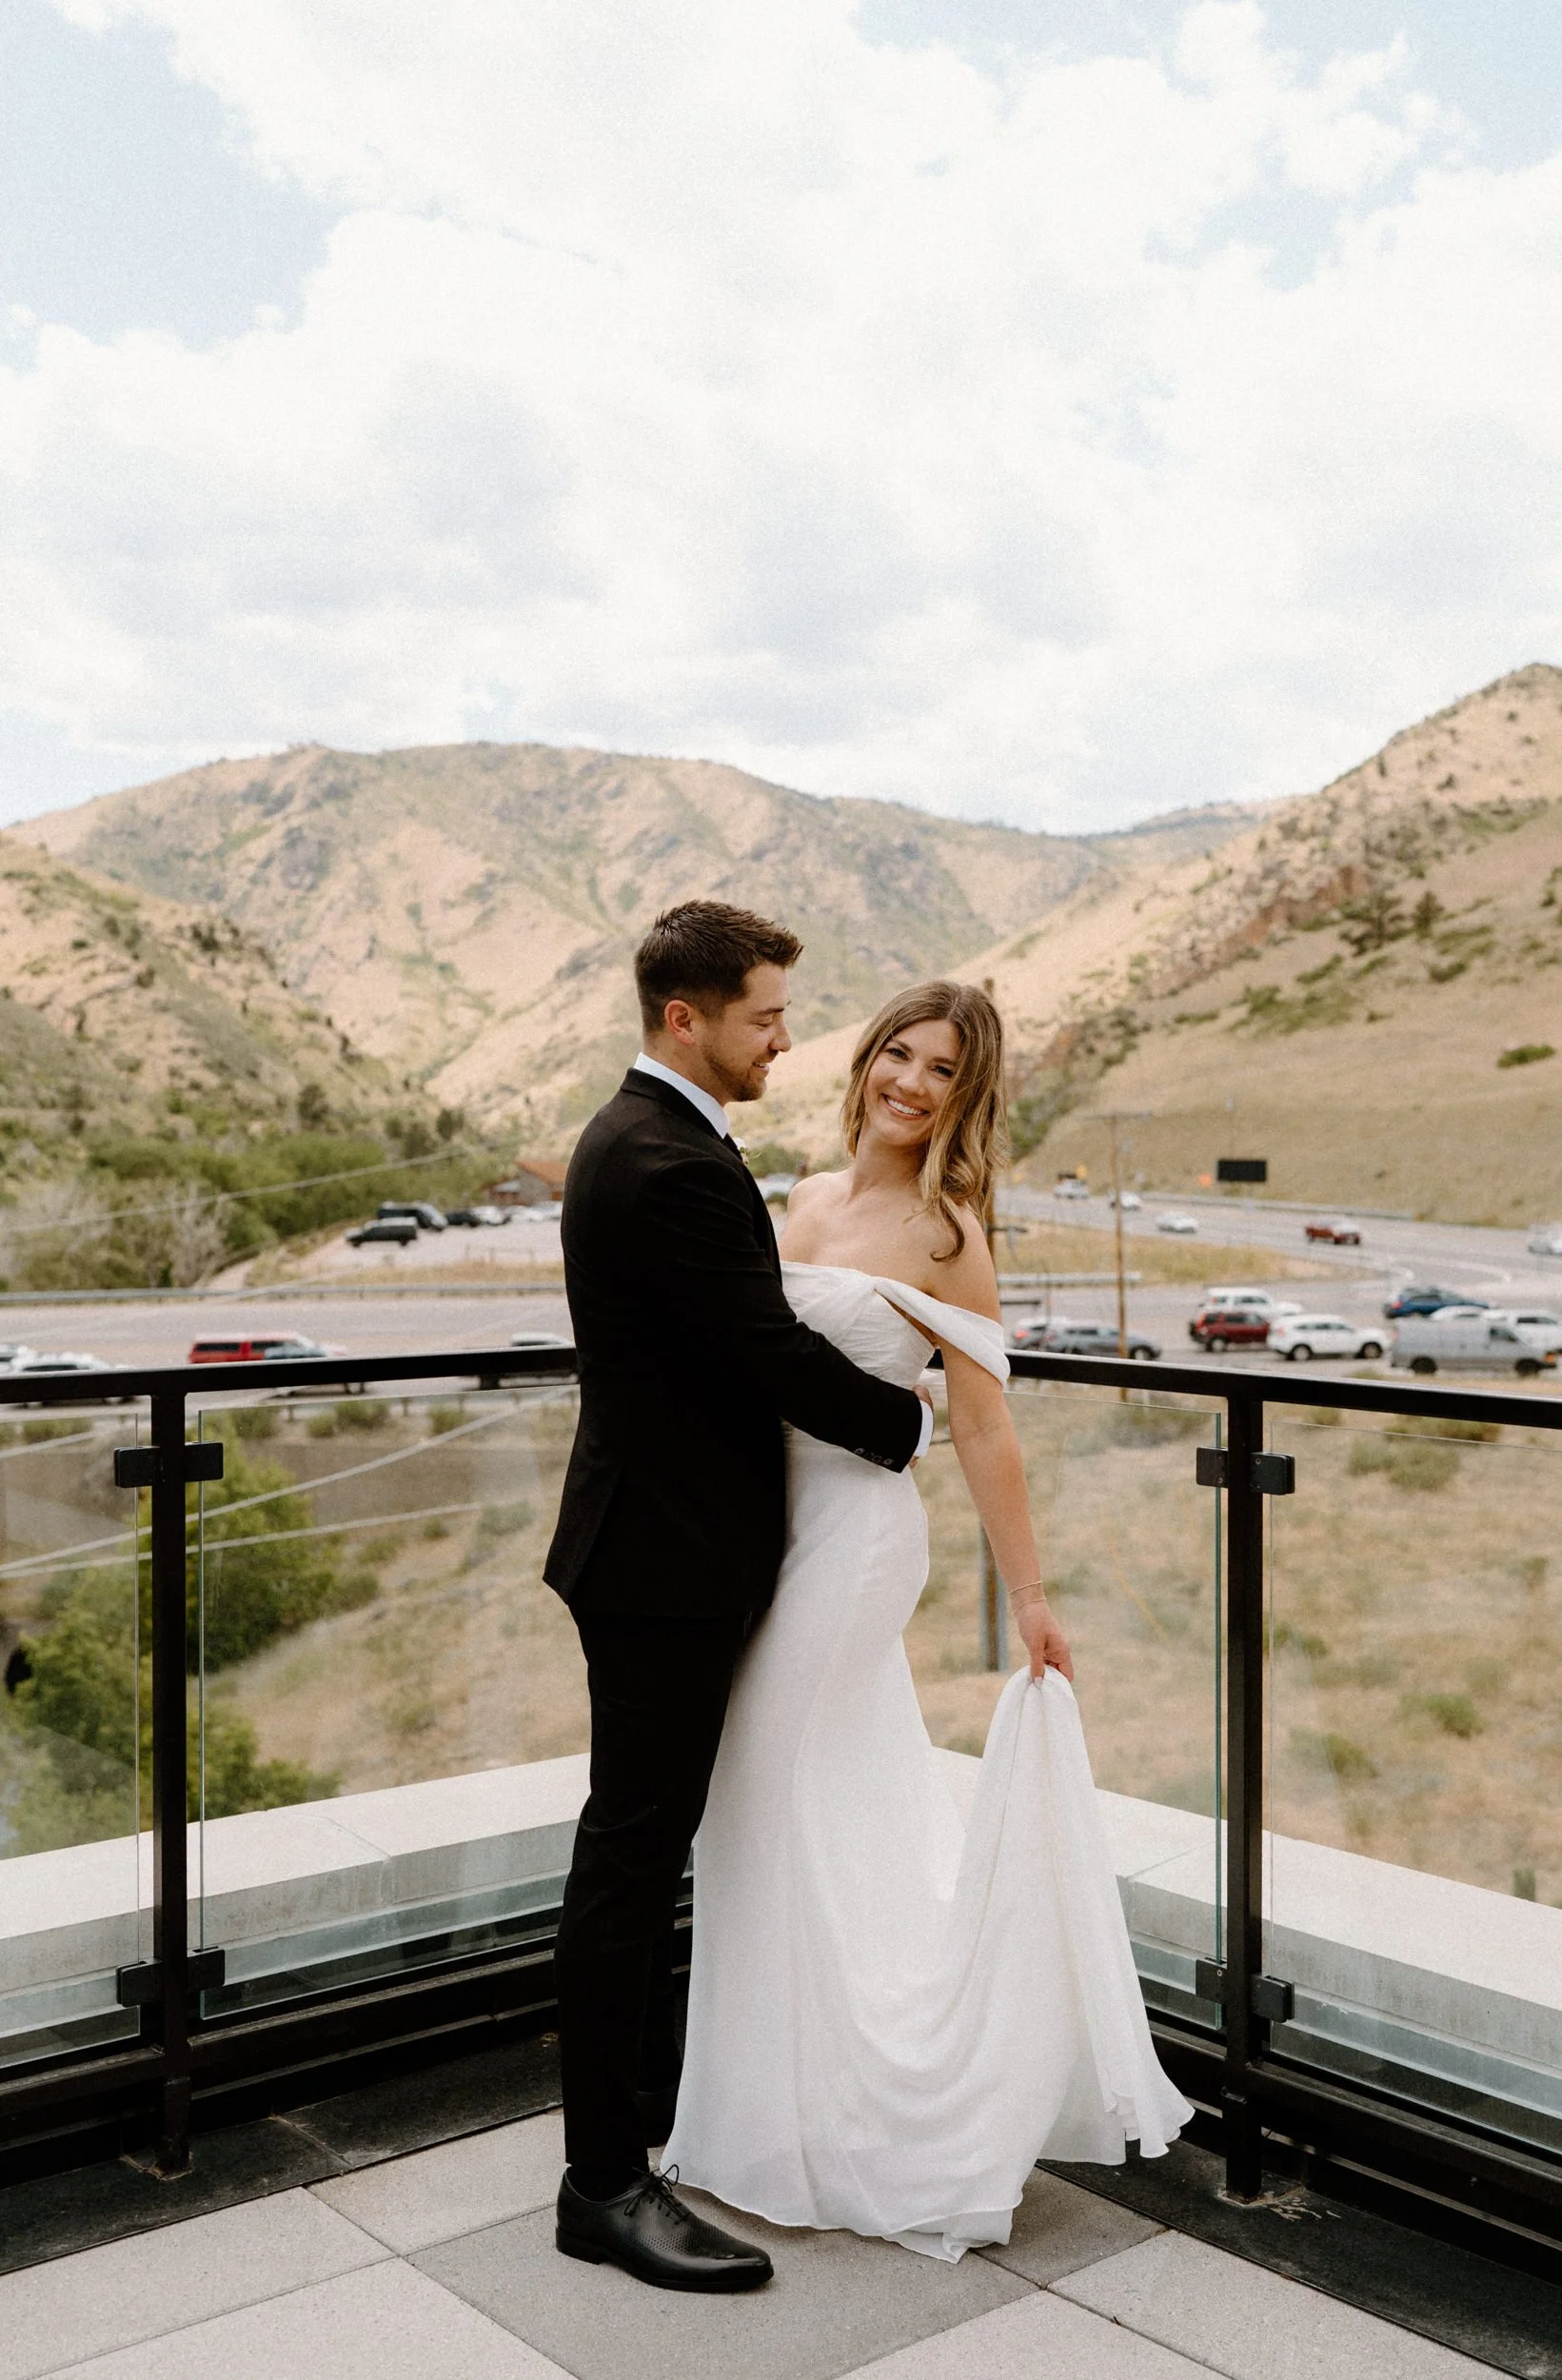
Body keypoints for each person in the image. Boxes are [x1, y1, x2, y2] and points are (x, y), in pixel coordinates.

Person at [662, 978, 1194, 2260]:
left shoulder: (950, 1231)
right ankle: (773, 2112)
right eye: (897, 1053)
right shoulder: (804, 1200)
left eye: (940, 1070)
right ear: (864, 1062)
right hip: (764, 1532)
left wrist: (1031, 1595)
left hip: (854, 1541)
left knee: (764, 1789)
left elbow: (984, 1422)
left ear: (968, 1095)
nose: (909, 1081)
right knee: (784, 1807)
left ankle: (881, 2120)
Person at [544, 902, 932, 2291]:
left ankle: (647, 2111)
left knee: (641, 1849)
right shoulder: (670, 1161)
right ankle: (602, 2183)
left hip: (655, 1546)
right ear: (683, 1020)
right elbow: (762, 1345)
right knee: (632, 1859)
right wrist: (909, 1427)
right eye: (766, 1016)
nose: (785, 1039)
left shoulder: (641, 1136)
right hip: (665, 1561)